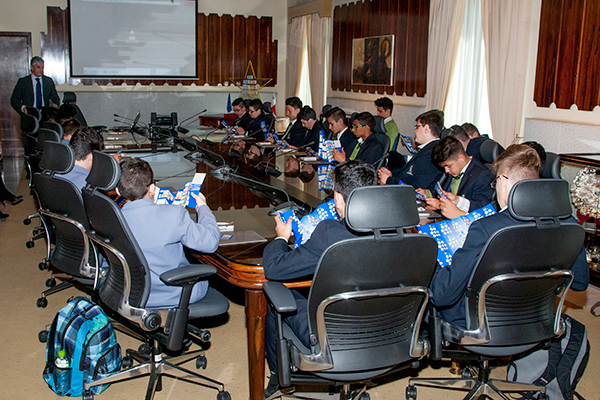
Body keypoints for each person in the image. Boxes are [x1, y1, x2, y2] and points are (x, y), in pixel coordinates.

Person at [429, 144, 589, 327]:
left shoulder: (485, 229)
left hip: (481, 324)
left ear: (503, 182)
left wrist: (432, 262)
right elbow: (580, 283)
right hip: (537, 319)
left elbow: (442, 295)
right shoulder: (571, 226)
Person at [263, 160, 377, 396]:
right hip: (384, 329)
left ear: (337, 198)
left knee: (273, 293)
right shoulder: (405, 232)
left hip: (333, 334)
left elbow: (274, 268)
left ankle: (278, 376)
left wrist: (281, 238)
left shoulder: (329, 233)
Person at [116, 158, 220, 308]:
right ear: (152, 188)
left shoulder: (111, 218)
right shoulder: (174, 214)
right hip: (173, 293)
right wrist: (203, 208)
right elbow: (210, 242)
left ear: (118, 191)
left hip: (129, 292)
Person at [426, 136, 495, 219]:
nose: (446, 171)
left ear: (461, 158)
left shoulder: (483, 174)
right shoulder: (455, 170)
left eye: (448, 166)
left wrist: (458, 201)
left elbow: (481, 208)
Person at [379, 109, 444, 191]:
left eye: (417, 127)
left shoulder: (431, 153)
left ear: (426, 129)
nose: (415, 131)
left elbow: (417, 185)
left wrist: (389, 180)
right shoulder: (427, 148)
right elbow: (408, 172)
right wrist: (391, 174)